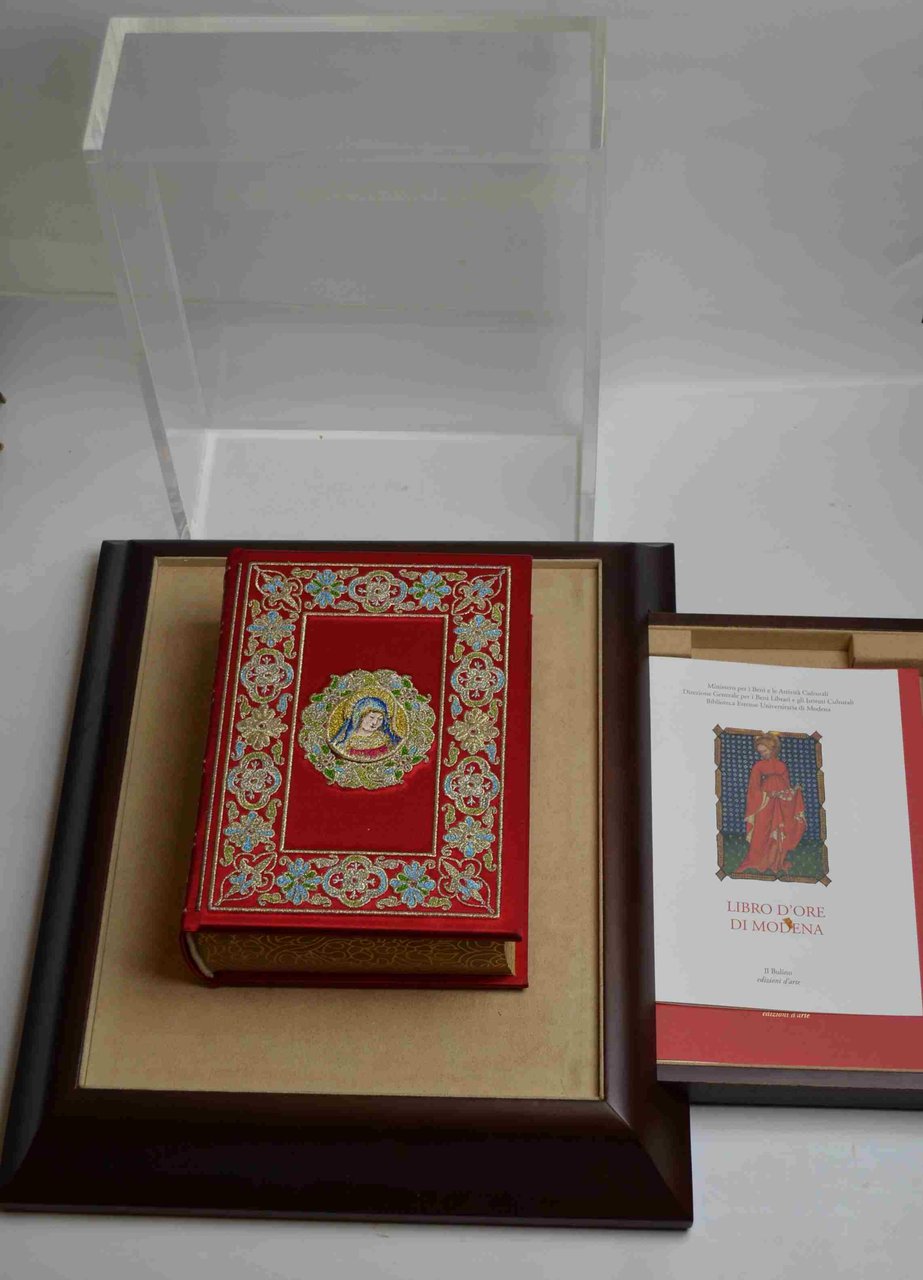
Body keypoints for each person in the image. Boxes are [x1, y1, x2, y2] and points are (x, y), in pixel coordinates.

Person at [734, 733, 806, 875]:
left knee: (779, 830)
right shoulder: (758, 766)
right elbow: (753, 788)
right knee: (762, 830)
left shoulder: (782, 765)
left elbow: (786, 786)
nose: (762, 754)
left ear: (772, 749)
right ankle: (760, 860)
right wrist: (768, 795)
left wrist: (794, 791)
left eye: (765, 751)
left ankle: (776, 862)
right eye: (760, 752)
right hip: (765, 802)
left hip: (781, 804)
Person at [330, 695, 401, 762]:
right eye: (371, 717)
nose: (375, 722)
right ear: (360, 717)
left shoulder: (386, 739)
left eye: (380, 719)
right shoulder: (345, 742)